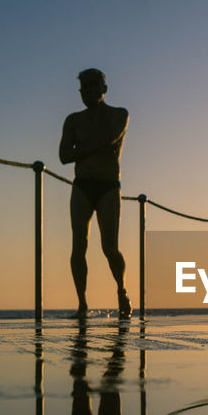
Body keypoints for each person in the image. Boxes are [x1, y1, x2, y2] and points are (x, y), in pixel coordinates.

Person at [59, 68, 131, 317]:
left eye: (94, 85)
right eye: (85, 87)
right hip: (82, 186)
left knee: (110, 246)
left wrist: (83, 146)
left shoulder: (120, 115)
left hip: (108, 186)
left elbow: (108, 139)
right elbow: (64, 156)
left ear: (104, 88)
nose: (89, 91)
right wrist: (89, 149)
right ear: (80, 92)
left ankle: (122, 291)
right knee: (78, 245)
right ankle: (82, 303)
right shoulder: (73, 120)